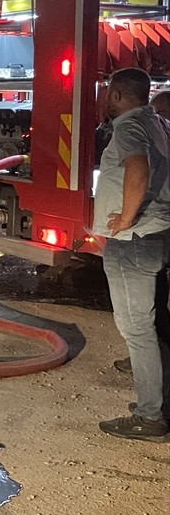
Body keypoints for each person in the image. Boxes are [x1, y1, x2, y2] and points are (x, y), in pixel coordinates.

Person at [94, 68, 170, 441]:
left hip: (134, 239)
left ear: (119, 95)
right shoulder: (158, 121)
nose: (106, 98)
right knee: (155, 324)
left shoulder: (128, 126)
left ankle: (150, 417)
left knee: (137, 328)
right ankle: (160, 401)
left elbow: (136, 168)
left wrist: (125, 218)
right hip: (155, 233)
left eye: (109, 92)